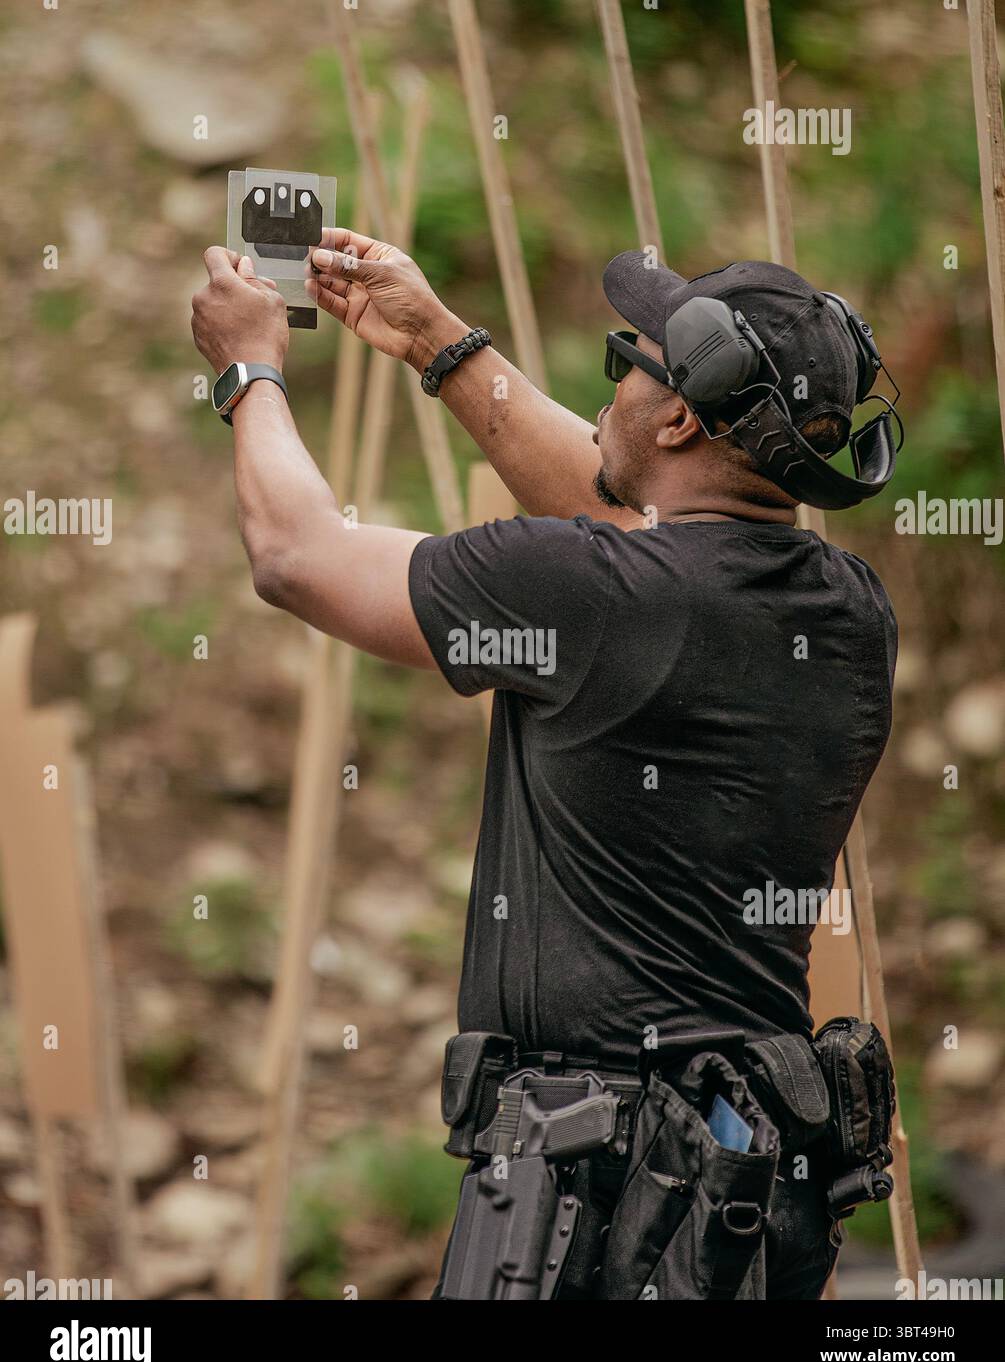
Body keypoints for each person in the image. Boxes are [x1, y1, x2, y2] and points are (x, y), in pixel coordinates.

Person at [191, 232, 898, 1299]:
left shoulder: (588, 594)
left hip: (589, 1204)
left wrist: (250, 370)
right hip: (740, 1204)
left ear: (680, 416)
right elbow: (638, 516)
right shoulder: (851, 615)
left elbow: (297, 555)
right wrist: (436, 340)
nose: (609, 385)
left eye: (631, 361)